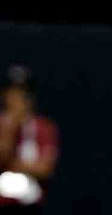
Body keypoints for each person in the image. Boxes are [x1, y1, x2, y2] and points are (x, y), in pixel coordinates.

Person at [0, 66, 58, 215]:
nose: (18, 99)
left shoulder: (44, 127)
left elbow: (45, 169)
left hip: (31, 206)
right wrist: (11, 128)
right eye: (13, 93)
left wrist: (12, 166)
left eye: (24, 94)